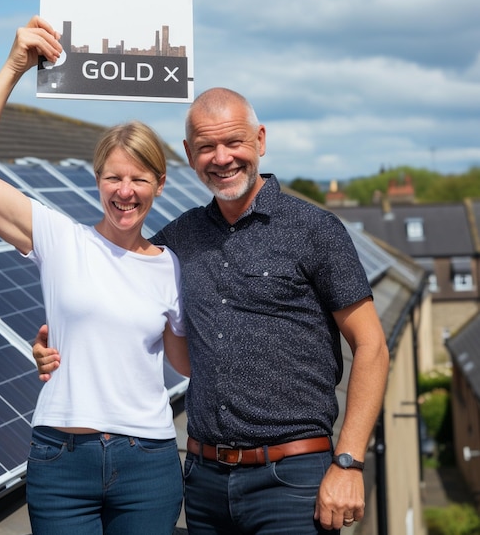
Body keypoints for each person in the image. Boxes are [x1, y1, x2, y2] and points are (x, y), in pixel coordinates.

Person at [33, 87, 390, 534]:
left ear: (260, 140)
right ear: (189, 154)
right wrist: (57, 341)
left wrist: (349, 461)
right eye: (206, 147)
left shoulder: (315, 230)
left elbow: (372, 345)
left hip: (293, 480)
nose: (221, 158)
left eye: (233, 142)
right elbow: (116, 282)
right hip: (203, 483)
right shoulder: (179, 239)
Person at [0, 16, 190, 535]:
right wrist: (14, 66)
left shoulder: (172, 267)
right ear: (97, 179)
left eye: (138, 179)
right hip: (61, 460)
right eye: (113, 177)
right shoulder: (59, 238)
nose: (125, 191)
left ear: (160, 185)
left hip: (148, 464)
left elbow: (186, 362)